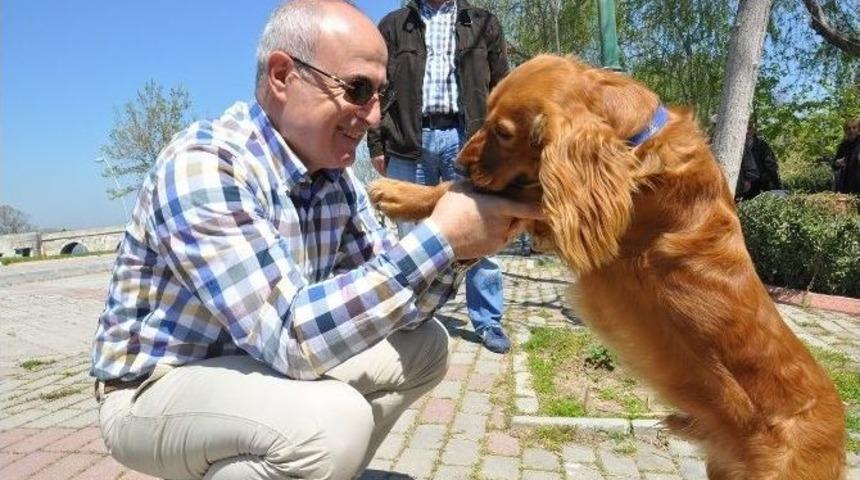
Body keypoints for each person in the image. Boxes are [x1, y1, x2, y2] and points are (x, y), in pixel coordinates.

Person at [89, 2, 541, 480]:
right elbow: (291, 337)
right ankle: (308, 458)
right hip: (153, 391)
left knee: (426, 344)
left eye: (380, 97)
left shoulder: (334, 179)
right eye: (357, 89)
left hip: (255, 364)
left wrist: (462, 248)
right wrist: (439, 237)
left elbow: (400, 304)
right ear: (283, 75)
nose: (372, 117)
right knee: (329, 423)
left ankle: (321, 471)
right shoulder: (206, 164)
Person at [367, 0, 513, 353]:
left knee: (484, 226)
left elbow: (503, 89)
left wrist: (502, 147)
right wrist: (376, 143)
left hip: (468, 140)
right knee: (409, 237)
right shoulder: (393, 25)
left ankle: (488, 319)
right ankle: (410, 318)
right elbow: (376, 87)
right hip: (407, 140)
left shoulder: (482, 22)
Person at [736, 122, 783, 201]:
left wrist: (776, 183)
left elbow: (770, 164)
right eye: (745, 129)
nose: (748, 131)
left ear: (754, 130)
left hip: (762, 180)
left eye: (750, 128)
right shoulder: (736, 146)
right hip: (747, 181)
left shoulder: (761, 144)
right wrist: (743, 180)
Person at [832, 118, 860, 194]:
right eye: (848, 128)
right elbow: (834, 165)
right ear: (845, 131)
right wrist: (837, 163)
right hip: (845, 185)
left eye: (854, 128)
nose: (851, 130)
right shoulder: (843, 146)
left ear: (858, 130)